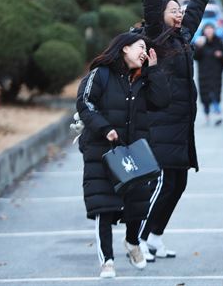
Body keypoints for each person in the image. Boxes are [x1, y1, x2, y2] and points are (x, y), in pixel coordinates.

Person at [136, 0, 223, 261]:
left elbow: (197, 9)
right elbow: (151, 12)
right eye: (172, 10)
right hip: (160, 122)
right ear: (161, 16)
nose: (179, 14)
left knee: (178, 183)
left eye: (179, 10)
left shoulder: (183, 36)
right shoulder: (155, 39)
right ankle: (138, 238)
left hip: (181, 124)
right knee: (162, 182)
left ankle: (155, 237)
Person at [76, 32, 170, 278]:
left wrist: (155, 70)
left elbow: (161, 101)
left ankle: (132, 242)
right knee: (104, 207)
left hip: (134, 149)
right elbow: (85, 104)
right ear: (124, 48)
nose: (144, 52)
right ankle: (107, 261)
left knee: (138, 202)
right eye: (140, 46)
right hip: (101, 151)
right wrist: (104, 128)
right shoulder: (101, 74)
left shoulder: (143, 78)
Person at [193, 24, 223, 125]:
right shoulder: (200, 42)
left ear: (214, 30)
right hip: (203, 73)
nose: (208, 31)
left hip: (216, 73)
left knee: (215, 94)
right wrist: (199, 47)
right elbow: (195, 57)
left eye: (210, 29)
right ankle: (207, 114)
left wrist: (220, 55)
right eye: (207, 30)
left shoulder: (219, 42)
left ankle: (218, 114)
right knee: (204, 95)